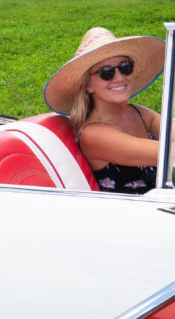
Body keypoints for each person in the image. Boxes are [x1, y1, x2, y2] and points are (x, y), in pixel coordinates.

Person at [44, 28, 165, 194]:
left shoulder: (140, 113)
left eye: (125, 67)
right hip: (129, 216)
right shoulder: (93, 134)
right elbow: (168, 153)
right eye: (106, 73)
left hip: (161, 206)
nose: (119, 78)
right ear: (88, 85)